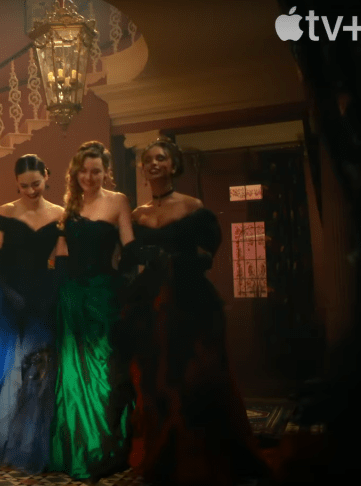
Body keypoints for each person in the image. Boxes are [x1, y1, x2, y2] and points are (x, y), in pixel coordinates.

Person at [120, 137, 270, 485]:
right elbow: (130, 257)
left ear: (173, 165)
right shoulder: (137, 215)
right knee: (155, 380)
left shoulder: (193, 207)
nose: (154, 164)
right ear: (142, 169)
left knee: (195, 378)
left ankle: (200, 457)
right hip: (150, 304)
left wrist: (180, 260)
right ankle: (163, 455)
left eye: (161, 158)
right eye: (148, 160)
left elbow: (207, 254)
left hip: (190, 301)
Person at [0, 155, 64, 473]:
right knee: (3, 369)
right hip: (5, 295)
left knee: (37, 369)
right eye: (24, 186)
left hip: (42, 293)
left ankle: (28, 442)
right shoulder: (5, 211)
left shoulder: (60, 214)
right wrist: (10, 295)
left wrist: (54, 293)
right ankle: (2, 440)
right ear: (16, 184)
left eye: (36, 184)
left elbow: (61, 259)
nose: (31, 190)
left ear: (46, 176)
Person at [48, 141, 135, 480]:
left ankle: (105, 447)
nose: (89, 176)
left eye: (96, 171)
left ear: (106, 172)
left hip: (104, 294)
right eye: (83, 171)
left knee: (107, 370)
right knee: (72, 374)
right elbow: (61, 255)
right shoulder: (69, 206)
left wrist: (125, 286)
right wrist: (60, 293)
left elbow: (129, 248)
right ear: (75, 173)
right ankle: (77, 448)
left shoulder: (118, 201)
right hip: (72, 297)